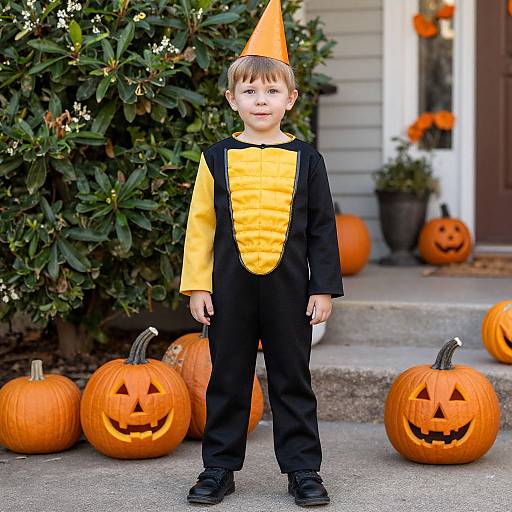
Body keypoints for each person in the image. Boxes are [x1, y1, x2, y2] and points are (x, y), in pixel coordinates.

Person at [179, 0, 344, 506]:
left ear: (291, 98)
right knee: (227, 377)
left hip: (289, 289)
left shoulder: (308, 159)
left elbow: (321, 227)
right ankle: (218, 468)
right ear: (232, 99)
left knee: (293, 379)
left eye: (272, 91)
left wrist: (323, 288)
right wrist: (198, 285)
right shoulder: (216, 158)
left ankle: (302, 470)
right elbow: (200, 226)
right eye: (249, 91)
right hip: (229, 288)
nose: (261, 100)